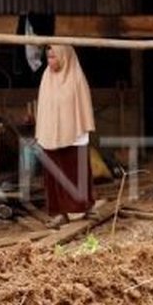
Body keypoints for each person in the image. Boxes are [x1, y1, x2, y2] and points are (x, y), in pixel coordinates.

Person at [35, 45, 95, 226]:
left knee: (75, 173)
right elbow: (45, 107)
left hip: (73, 136)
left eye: (54, 57)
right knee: (54, 176)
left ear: (64, 57)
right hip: (51, 136)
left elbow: (81, 109)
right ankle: (59, 212)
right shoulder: (46, 77)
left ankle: (81, 207)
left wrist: (78, 130)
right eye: (48, 58)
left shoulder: (76, 78)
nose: (50, 62)